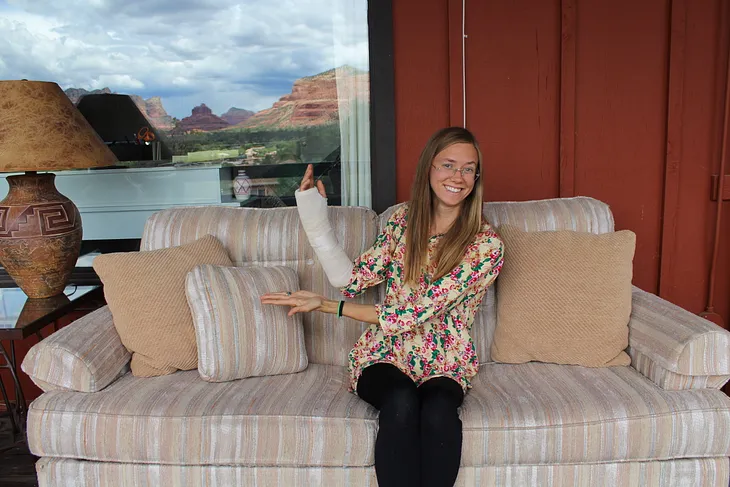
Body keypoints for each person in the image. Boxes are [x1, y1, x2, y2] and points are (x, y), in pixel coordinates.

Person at [261, 127, 504, 487]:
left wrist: (329, 307)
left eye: (469, 168)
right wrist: (315, 217)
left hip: (445, 359)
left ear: (477, 177)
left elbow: (413, 313)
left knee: (438, 412)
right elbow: (353, 279)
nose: (458, 177)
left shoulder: (486, 246)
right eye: (448, 165)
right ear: (428, 169)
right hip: (384, 354)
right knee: (402, 400)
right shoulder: (403, 221)